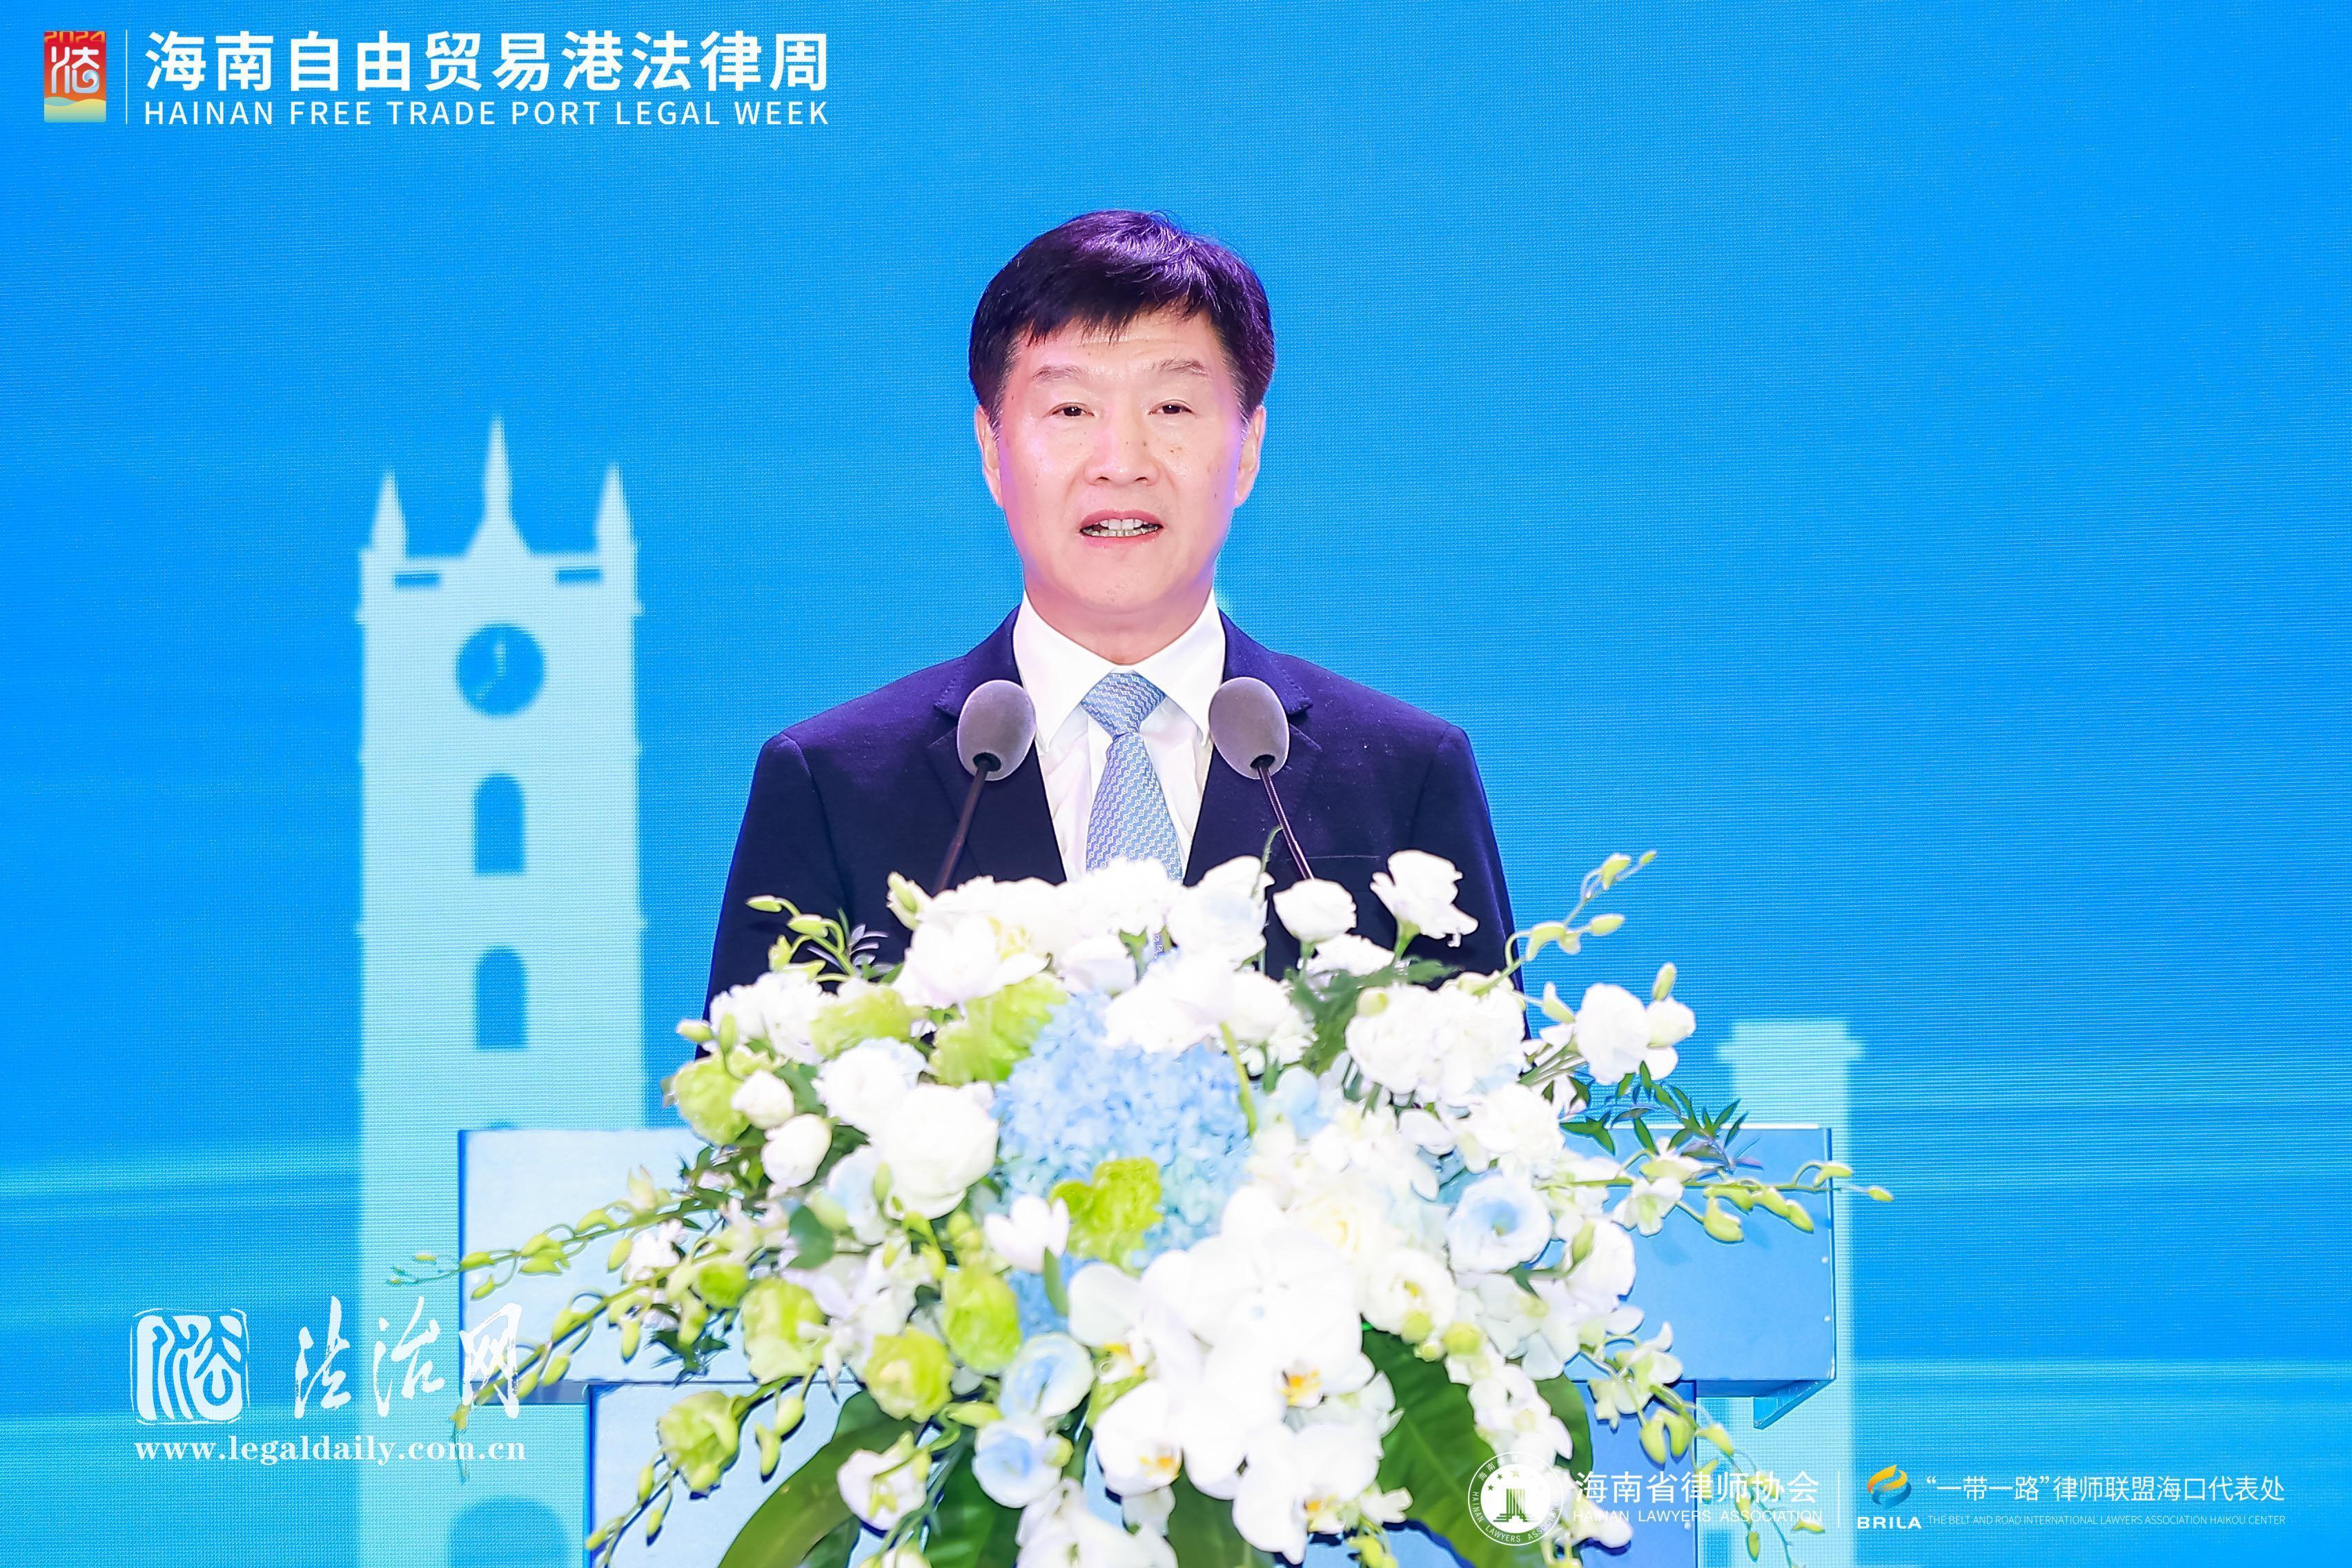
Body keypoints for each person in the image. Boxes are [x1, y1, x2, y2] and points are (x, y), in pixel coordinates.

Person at [705, 210, 1511, 1006]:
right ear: (992, 451)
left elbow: (1483, 1081)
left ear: (1249, 450)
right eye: (1070, 411)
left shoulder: (1405, 773)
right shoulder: (832, 786)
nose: (1121, 463)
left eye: (1172, 409)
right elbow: (757, 1088)